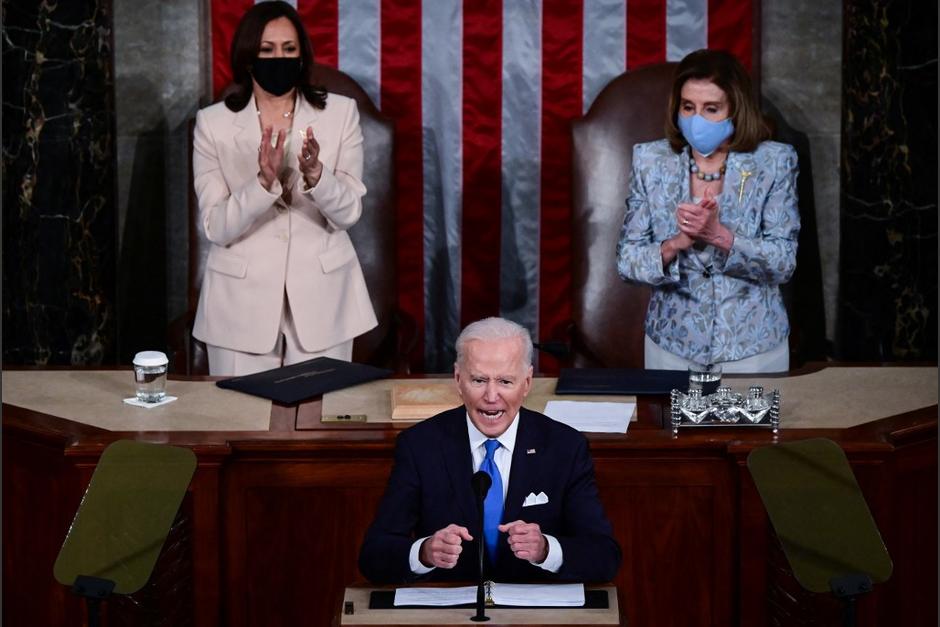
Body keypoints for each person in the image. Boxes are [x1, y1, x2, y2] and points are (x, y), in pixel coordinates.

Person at [358, 317, 621, 584]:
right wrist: (423, 553)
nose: (491, 396)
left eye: (505, 381)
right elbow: (373, 556)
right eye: (479, 380)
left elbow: (604, 556)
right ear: (458, 380)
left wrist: (546, 550)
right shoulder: (419, 446)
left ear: (527, 382)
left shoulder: (565, 447)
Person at [192, 1, 376, 376]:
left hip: (325, 306)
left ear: (302, 55)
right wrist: (261, 184)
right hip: (238, 311)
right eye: (267, 50)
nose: (279, 58)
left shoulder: (341, 115)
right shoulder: (213, 125)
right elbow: (217, 227)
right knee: (241, 426)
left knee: (315, 429)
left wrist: (317, 175)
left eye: (289, 49)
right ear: (248, 57)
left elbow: (348, 214)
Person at [617, 49, 800, 373]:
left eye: (711, 109)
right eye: (688, 107)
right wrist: (674, 244)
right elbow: (627, 261)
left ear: (735, 110)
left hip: (752, 348)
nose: (696, 119)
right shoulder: (650, 161)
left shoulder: (774, 162)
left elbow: (783, 263)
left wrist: (721, 237)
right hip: (671, 345)